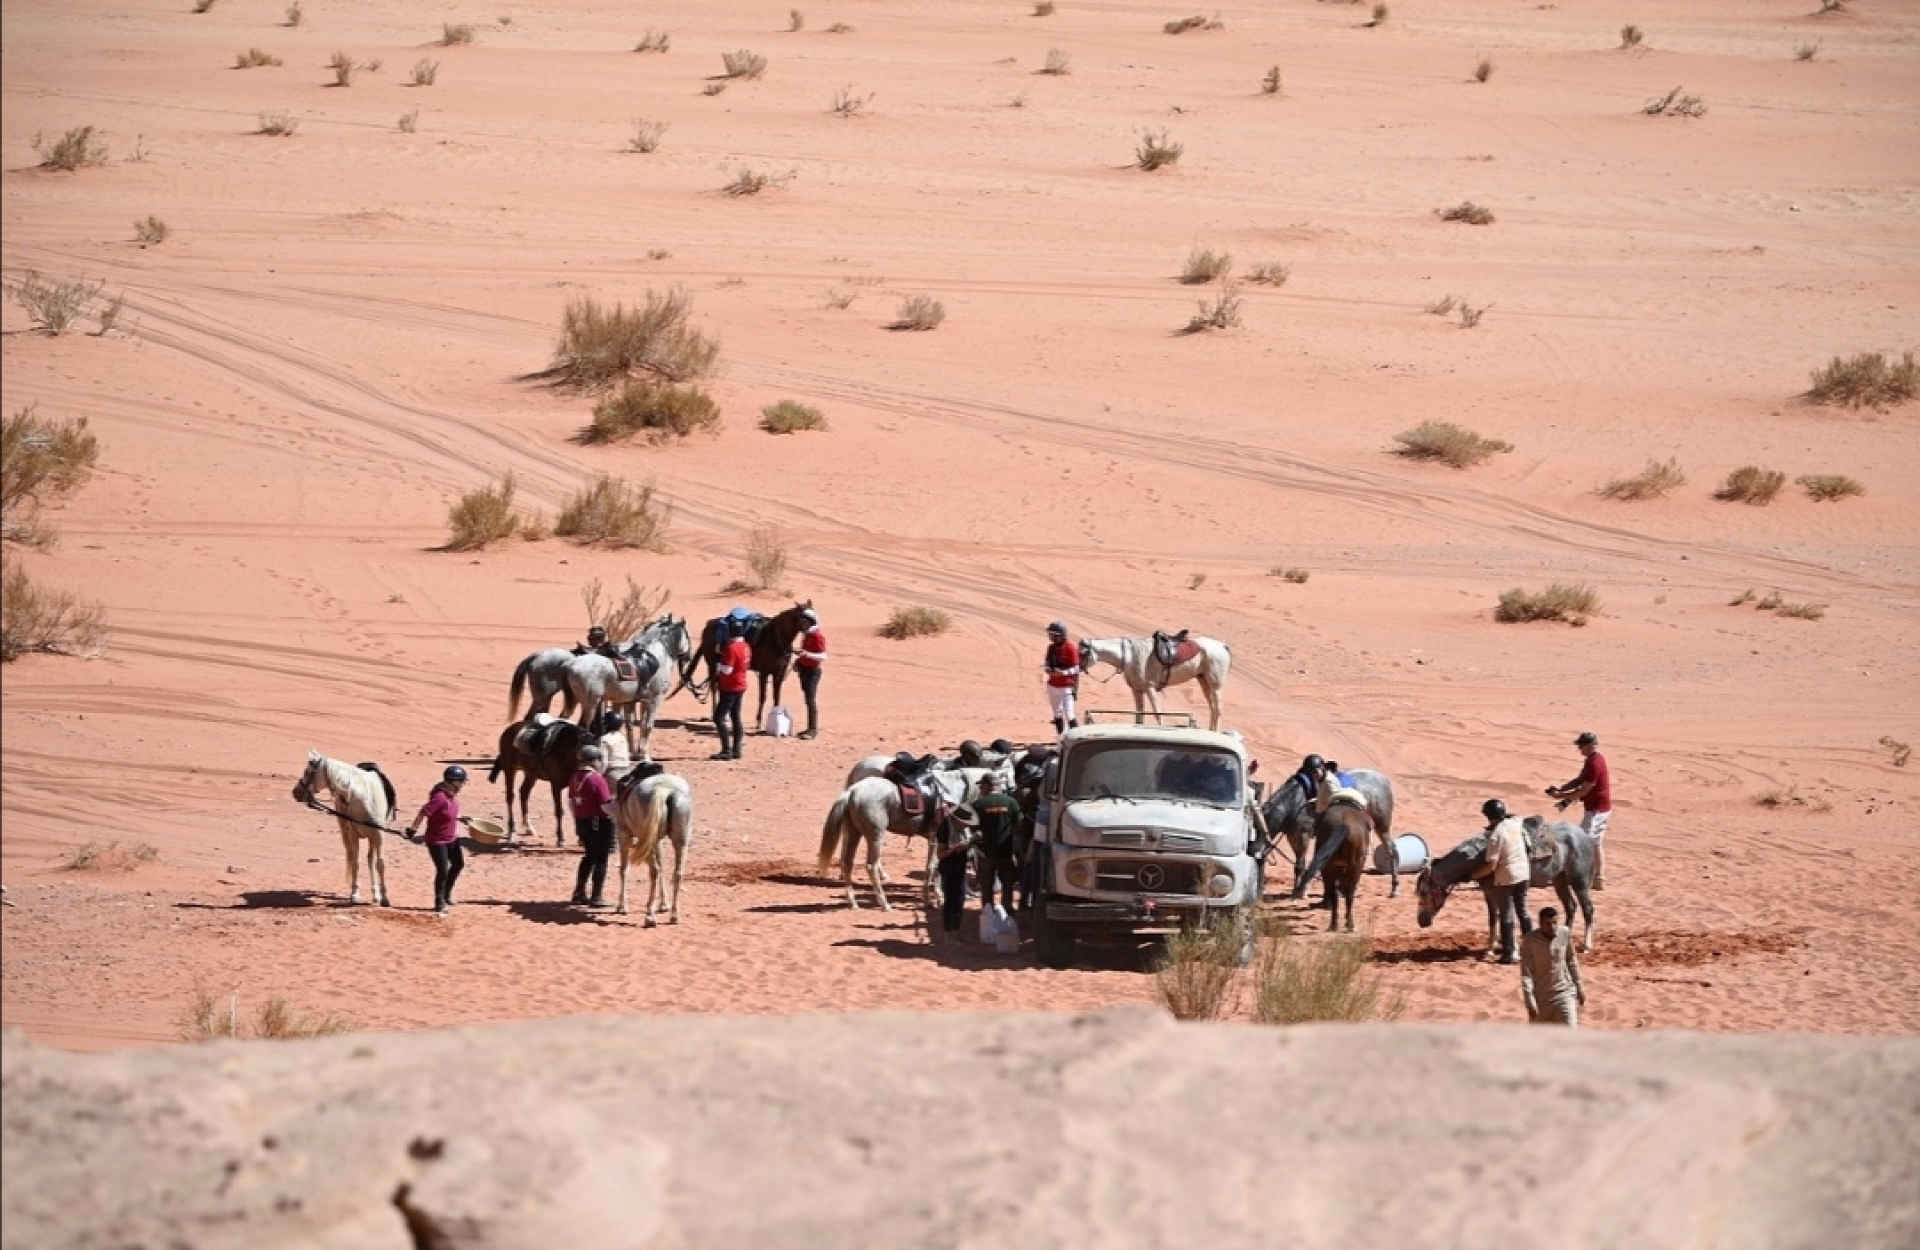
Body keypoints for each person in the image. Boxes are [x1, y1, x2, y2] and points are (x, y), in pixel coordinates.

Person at [1546, 731, 1612, 890]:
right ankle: (1599, 878)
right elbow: (1580, 780)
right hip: (1600, 808)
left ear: (1590, 746)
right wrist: (1563, 791)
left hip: (1596, 809)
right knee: (1595, 843)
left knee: (1581, 843)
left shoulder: (1595, 763)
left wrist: (1562, 796)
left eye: (1581, 746)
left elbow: (1584, 789)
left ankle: (1581, 877)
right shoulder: (1593, 760)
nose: (1579, 749)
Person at [1470, 798, 1530, 964]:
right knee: (1523, 912)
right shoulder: (1515, 823)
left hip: (1507, 878)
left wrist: (1474, 876)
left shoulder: (1496, 836)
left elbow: (1491, 866)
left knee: (1506, 915)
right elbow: (1518, 816)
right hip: (1524, 874)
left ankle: (1510, 953)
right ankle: (1532, 947)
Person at [406, 765, 468, 916]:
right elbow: (424, 812)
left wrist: (461, 818)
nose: (462, 785)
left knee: (458, 864)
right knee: (442, 870)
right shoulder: (439, 797)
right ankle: (439, 902)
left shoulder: (451, 794)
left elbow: (448, 813)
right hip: (437, 841)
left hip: (451, 838)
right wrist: (413, 829)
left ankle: (446, 894)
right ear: (453, 781)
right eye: (461, 782)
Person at [1519, 905, 1586, 1026]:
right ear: (1540, 924)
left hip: (1564, 993)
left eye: (1555, 923)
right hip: (1541, 999)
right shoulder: (1530, 941)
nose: (1552, 927)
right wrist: (1530, 1001)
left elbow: (1571, 960)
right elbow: (1526, 973)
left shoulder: (1564, 933)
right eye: (1548, 924)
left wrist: (1579, 987)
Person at [568, 744, 616, 907]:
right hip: (598, 822)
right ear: (594, 761)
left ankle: (579, 892)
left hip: (582, 821)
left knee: (589, 856)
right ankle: (597, 896)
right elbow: (605, 806)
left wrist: (577, 821)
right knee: (601, 859)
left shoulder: (575, 777)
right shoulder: (597, 779)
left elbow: (571, 803)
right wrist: (618, 811)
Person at [971, 774, 1023, 915]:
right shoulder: (1011, 802)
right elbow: (1019, 825)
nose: (980, 789)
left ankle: (988, 911)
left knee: (986, 884)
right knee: (1007, 883)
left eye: (982, 786)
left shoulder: (978, 804)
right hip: (1005, 852)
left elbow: (972, 827)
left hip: (985, 853)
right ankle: (1007, 909)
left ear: (989, 786)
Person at [933, 804, 979, 939]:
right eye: (964, 823)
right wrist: (955, 849)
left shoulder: (963, 830)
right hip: (949, 866)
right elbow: (940, 854)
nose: (966, 826)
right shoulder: (945, 828)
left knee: (960, 898)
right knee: (951, 899)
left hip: (960, 865)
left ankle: (956, 930)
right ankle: (949, 931)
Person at [712, 617, 751, 760]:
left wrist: (718, 664)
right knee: (736, 716)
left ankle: (726, 750)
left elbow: (727, 669)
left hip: (729, 687)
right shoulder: (746, 646)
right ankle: (736, 749)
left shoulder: (731, 648)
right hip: (741, 685)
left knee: (719, 718)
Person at [794, 607, 826, 741]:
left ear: (811, 622)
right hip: (804, 669)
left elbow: (823, 656)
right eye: (802, 622)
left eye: (805, 622)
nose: (803, 624)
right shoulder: (807, 635)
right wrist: (799, 660)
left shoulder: (817, 636)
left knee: (810, 700)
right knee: (807, 698)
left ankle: (813, 729)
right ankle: (810, 727)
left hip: (813, 672)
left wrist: (807, 654)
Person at [1043, 622, 1080, 735]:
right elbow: (1047, 663)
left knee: (1069, 714)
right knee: (1057, 714)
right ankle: (1060, 739)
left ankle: (1076, 738)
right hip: (1052, 685)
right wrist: (1048, 669)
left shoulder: (1070, 648)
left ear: (1060, 636)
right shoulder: (1051, 648)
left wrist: (1063, 673)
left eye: (1052, 634)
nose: (1050, 637)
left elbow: (1077, 669)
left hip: (1066, 687)